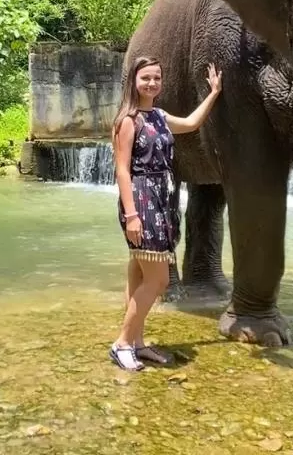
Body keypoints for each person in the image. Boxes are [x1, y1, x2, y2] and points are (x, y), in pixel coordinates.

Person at [109, 56, 222, 371]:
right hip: (142, 201)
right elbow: (122, 170)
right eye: (146, 78)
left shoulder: (158, 116)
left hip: (164, 198)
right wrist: (132, 215)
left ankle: (137, 343)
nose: (152, 83)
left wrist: (213, 93)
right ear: (134, 80)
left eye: (157, 78)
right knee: (158, 281)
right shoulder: (128, 121)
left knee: (139, 275)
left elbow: (191, 124)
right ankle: (121, 344)